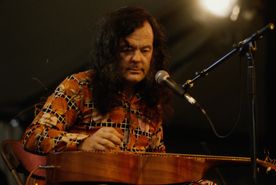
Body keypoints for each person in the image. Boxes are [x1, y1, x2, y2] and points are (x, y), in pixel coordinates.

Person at [21, 6, 215, 185]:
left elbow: (158, 167)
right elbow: (34, 135)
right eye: (127, 49)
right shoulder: (79, 86)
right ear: (110, 51)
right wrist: (82, 143)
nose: (137, 59)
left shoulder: (152, 103)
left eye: (145, 50)